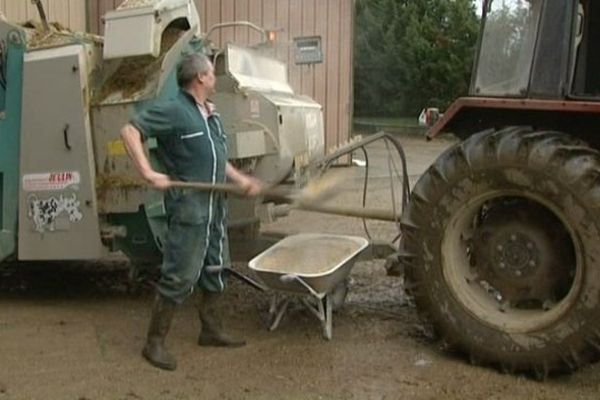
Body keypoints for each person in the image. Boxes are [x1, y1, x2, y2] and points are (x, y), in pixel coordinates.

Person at [120, 52, 262, 371]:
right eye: (212, 73)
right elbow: (130, 131)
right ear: (200, 77)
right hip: (190, 208)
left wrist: (241, 180)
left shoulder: (211, 114)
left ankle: (210, 330)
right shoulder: (174, 110)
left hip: (215, 208)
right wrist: (147, 172)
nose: (215, 78)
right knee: (179, 275)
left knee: (216, 268)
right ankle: (153, 343)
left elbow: (217, 158)